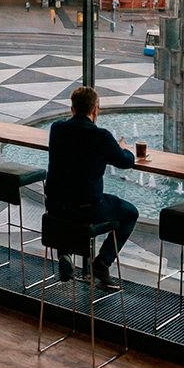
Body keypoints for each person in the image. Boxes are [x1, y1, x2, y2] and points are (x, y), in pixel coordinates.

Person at [45, 86, 138, 290]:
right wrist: (124, 149)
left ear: (72, 109)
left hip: (54, 207)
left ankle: (64, 253)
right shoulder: (101, 136)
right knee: (130, 213)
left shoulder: (57, 128)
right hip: (87, 209)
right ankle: (102, 264)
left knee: (66, 195)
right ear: (95, 109)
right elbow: (125, 162)